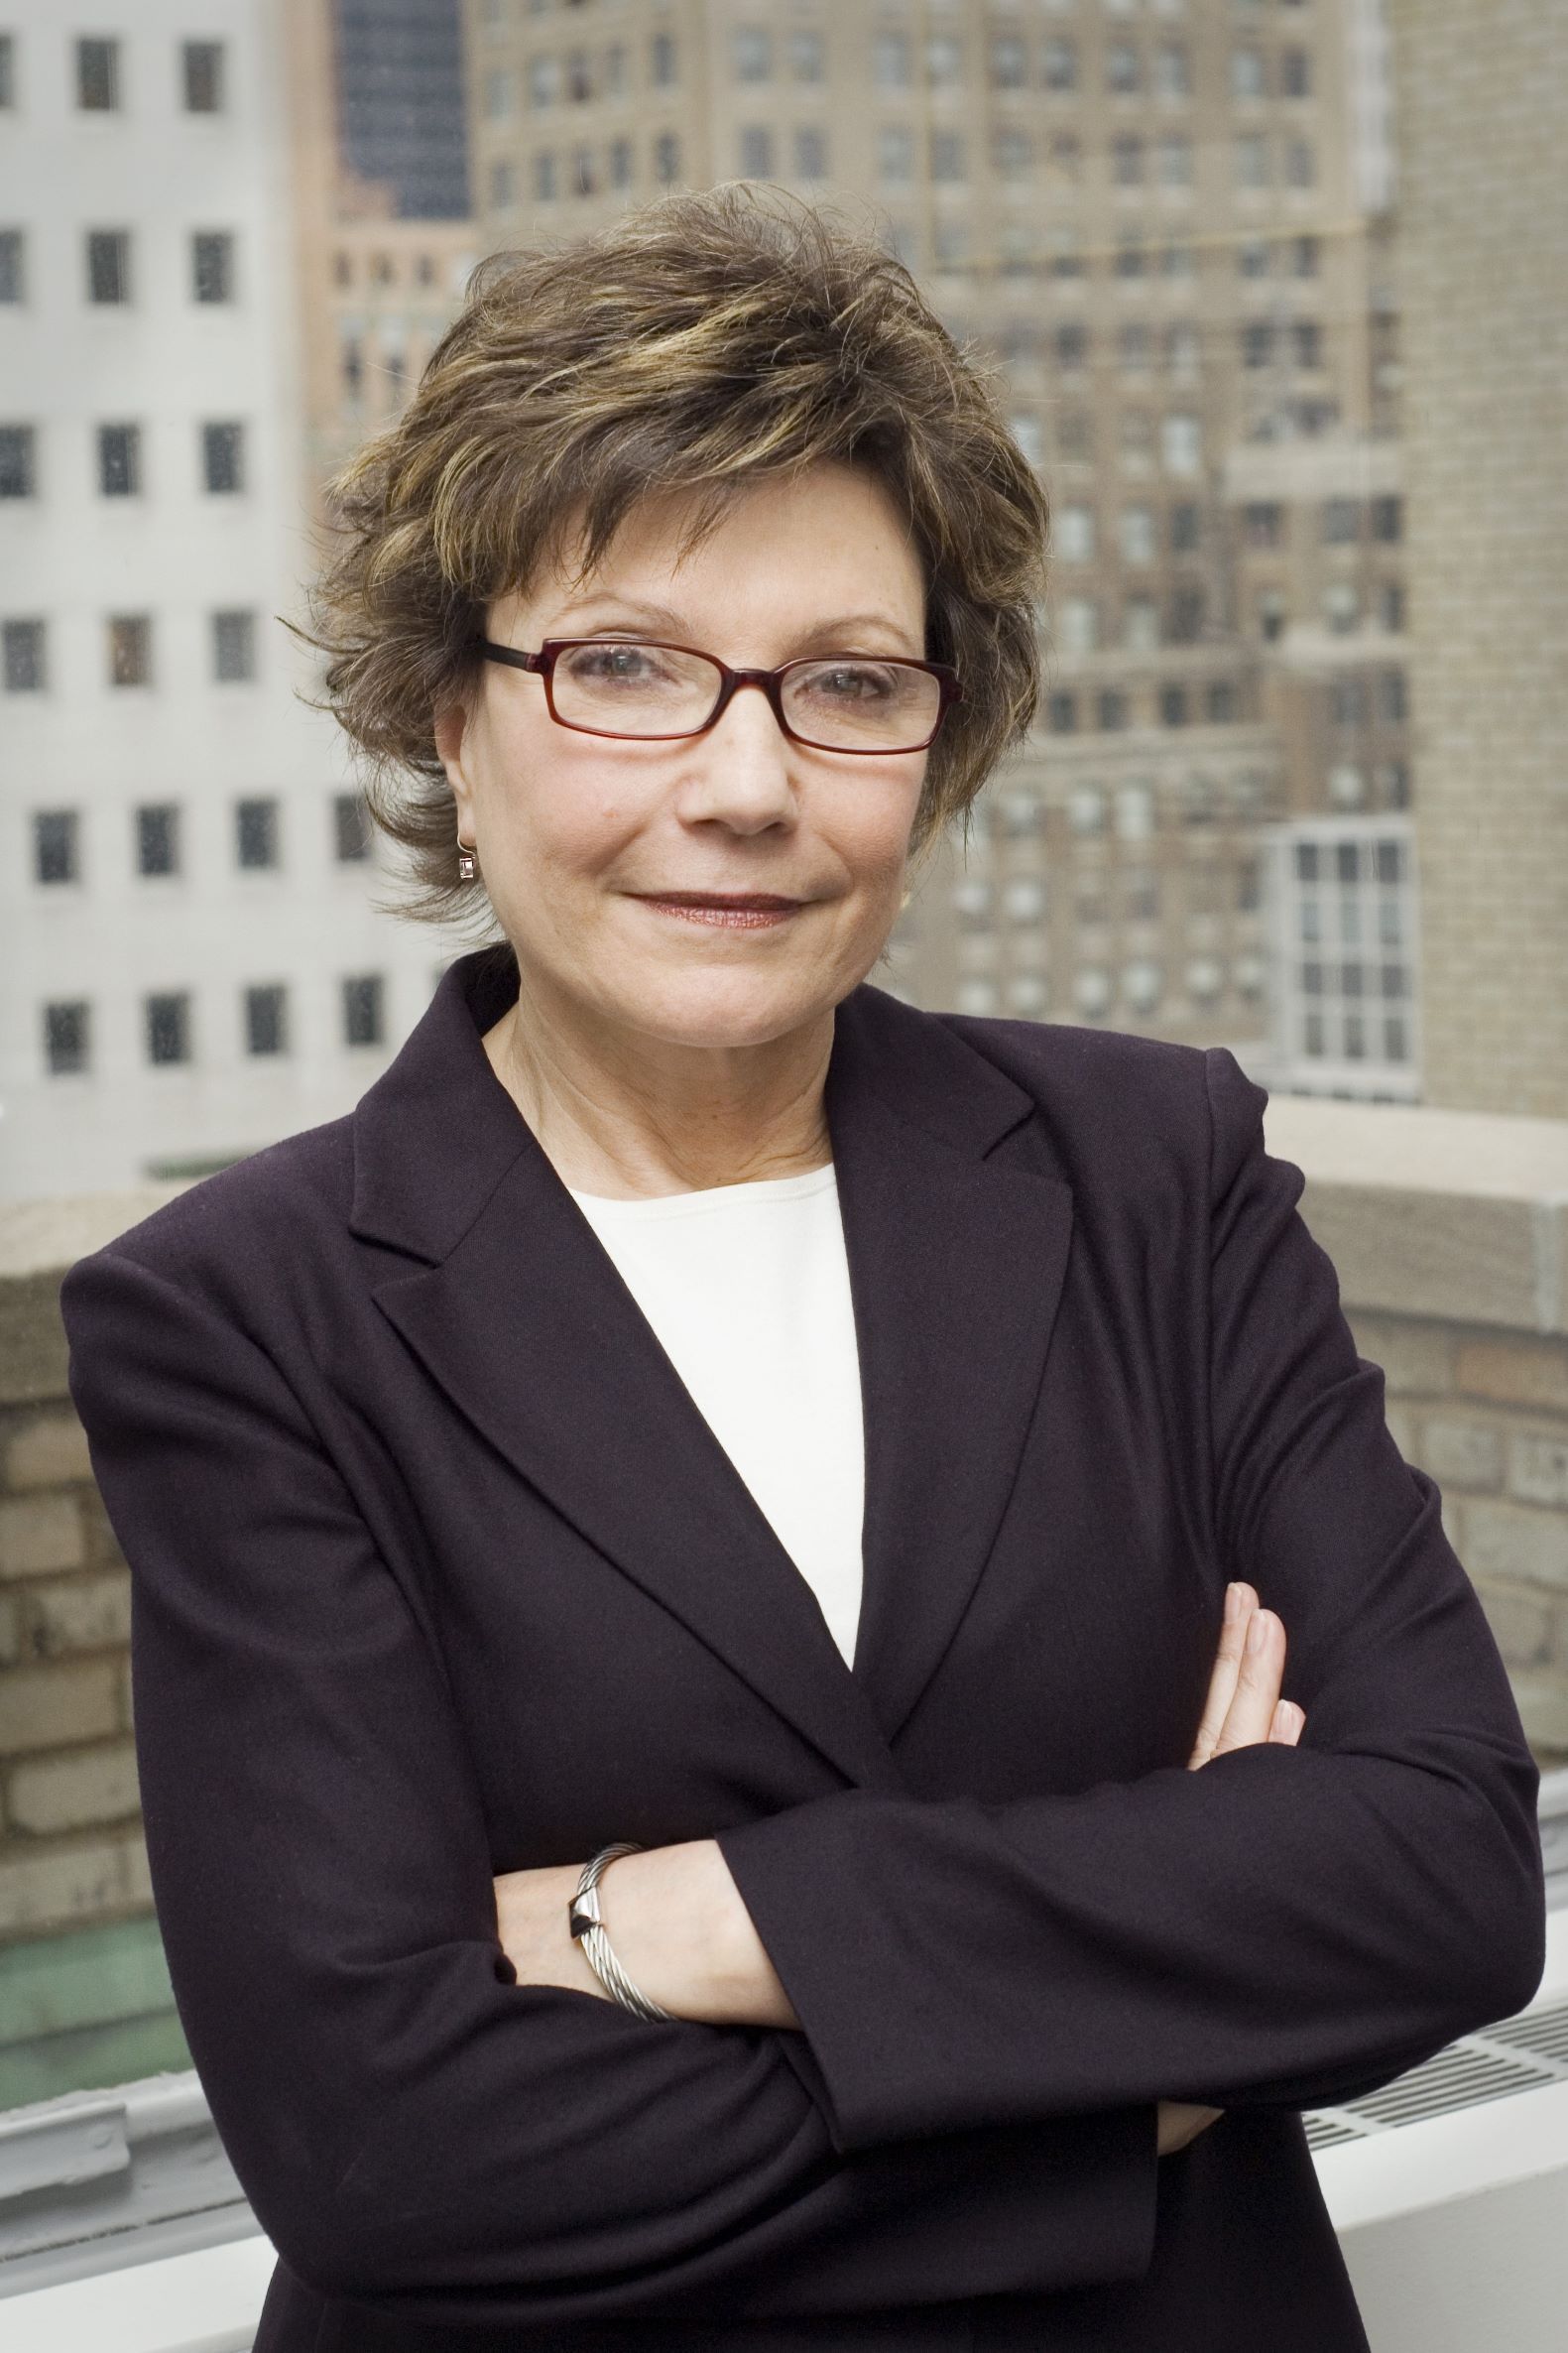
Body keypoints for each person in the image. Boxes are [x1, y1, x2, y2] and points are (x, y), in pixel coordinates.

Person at [59, 185, 1543, 2353]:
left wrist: (666, 1919)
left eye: (844, 682)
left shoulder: (1155, 1175)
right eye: (627, 670)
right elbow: (389, 2146)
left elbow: (1433, 1872)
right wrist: (1145, 2028)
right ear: (448, 727)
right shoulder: (246, 1318)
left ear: (933, 747)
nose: (746, 782)